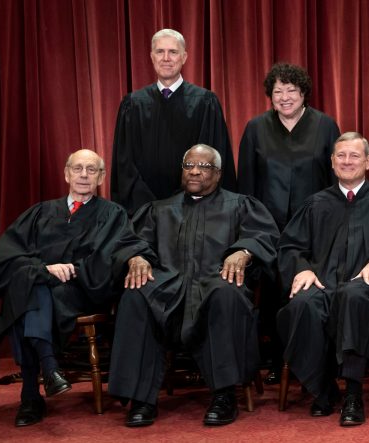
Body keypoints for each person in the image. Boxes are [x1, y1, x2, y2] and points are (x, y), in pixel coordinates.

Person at [107, 145, 279, 427]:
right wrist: (136, 257)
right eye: (189, 165)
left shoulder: (240, 205)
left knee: (226, 293)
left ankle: (224, 395)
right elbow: (130, 242)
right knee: (136, 293)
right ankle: (141, 399)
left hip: (215, 283)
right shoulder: (159, 210)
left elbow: (265, 237)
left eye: (205, 166)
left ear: (219, 173)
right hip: (168, 288)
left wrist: (244, 252)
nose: (196, 170)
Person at [0, 149, 128, 427]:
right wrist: (43, 270)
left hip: (79, 291)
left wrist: (65, 270)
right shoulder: (40, 212)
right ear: (66, 173)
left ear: (101, 176)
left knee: (27, 289)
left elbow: (106, 261)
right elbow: (7, 256)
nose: (83, 175)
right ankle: (49, 368)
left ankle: (31, 394)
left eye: (91, 170)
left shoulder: (112, 214)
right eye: (78, 168)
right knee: (32, 284)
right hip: (39, 290)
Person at [277, 132, 369, 426]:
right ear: (331, 162)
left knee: (352, 296)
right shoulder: (316, 203)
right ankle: (322, 389)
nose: (347, 161)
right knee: (302, 304)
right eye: (341, 155)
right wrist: (302, 267)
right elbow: (291, 246)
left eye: (354, 156)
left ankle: (353, 393)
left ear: (368, 161)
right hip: (324, 285)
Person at [238, 62, 340, 384]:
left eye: (291, 90)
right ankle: (277, 359)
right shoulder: (256, 128)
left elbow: (335, 177)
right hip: (269, 227)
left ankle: (317, 358)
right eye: (277, 91)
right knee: (272, 294)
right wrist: (253, 226)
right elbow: (247, 184)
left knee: (312, 290)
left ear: (303, 93)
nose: (284, 97)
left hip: (315, 227)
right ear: (270, 96)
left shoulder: (325, 126)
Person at [111, 28, 236, 216]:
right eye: (160, 52)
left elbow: (214, 159)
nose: (166, 58)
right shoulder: (133, 104)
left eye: (173, 52)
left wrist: (182, 200)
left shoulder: (205, 102)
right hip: (142, 211)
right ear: (152, 57)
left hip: (194, 209)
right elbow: (124, 163)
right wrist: (148, 205)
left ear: (184, 57)